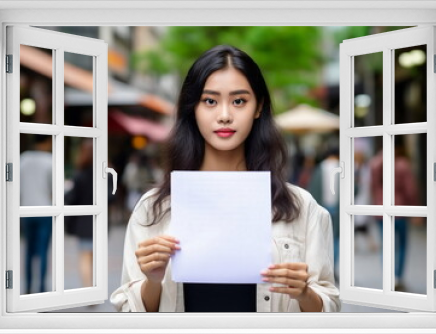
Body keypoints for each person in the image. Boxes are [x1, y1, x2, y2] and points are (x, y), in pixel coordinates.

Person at [110, 45, 340, 312]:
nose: (224, 115)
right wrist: (152, 280)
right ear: (192, 108)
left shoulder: (302, 207)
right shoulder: (153, 209)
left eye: (239, 101)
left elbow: (329, 307)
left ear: (258, 107)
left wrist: (303, 293)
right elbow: (128, 312)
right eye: (210, 101)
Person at [370, 138, 419, 291]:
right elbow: (410, 190)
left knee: (386, 245)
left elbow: (371, 187)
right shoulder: (402, 164)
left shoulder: (375, 163)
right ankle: (397, 277)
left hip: (381, 210)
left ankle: (388, 277)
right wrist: (416, 210)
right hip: (400, 210)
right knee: (402, 245)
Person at [20, 134, 53, 294]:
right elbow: (54, 190)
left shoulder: (24, 159)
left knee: (28, 251)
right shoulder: (50, 160)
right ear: (46, 142)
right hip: (45, 211)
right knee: (43, 252)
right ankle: (41, 289)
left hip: (25, 210)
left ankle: (26, 288)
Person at [64, 138, 95, 288]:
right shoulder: (104, 175)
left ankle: (88, 288)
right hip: (99, 222)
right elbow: (111, 197)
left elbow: (71, 197)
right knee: (94, 256)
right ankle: (94, 288)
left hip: (83, 222)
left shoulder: (79, 175)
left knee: (85, 257)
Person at [307, 147, 340, 281]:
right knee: (336, 239)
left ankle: (324, 269)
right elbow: (354, 189)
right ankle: (333, 267)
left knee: (321, 238)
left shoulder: (319, 169)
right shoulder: (342, 168)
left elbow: (312, 189)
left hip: (322, 206)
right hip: (338, 208)